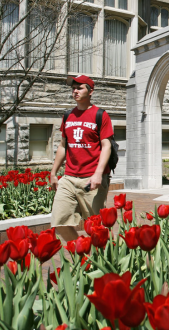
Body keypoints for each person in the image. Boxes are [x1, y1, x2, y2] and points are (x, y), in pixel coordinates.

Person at [49, 75, 113, 242]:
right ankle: (81, 253)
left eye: (80, 88)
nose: (75, 91)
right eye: (73, 88)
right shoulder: (68, 115)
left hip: (91, 179)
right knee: (59, 222)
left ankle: (103, 261)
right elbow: (63, 146)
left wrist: (98, 173)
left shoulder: (100, 115)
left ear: (91, 91)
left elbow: (106, 146)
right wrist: (54, 172)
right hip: (69, 178)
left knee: (96, 227)